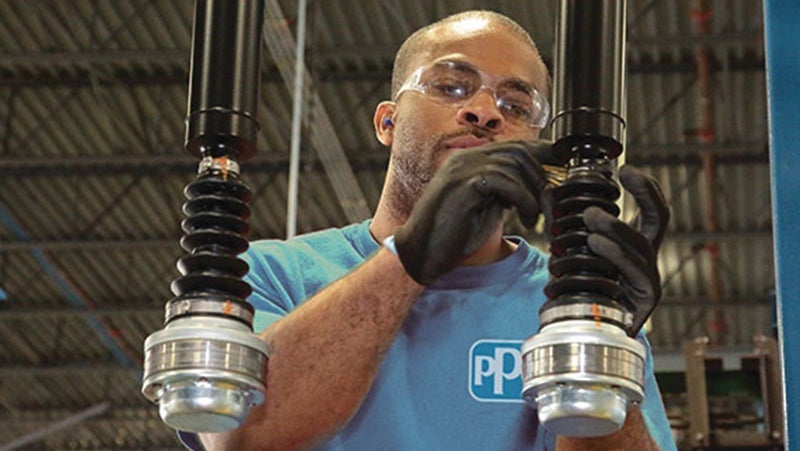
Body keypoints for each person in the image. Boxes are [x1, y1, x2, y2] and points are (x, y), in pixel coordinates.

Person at [183, 9, 676, 451]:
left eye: (517, 106)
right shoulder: (269, 274)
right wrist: (411, 255)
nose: (485, 112)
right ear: (387, 121)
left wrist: (597, 350)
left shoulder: (573, 304)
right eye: (450, 86)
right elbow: (240, 433)